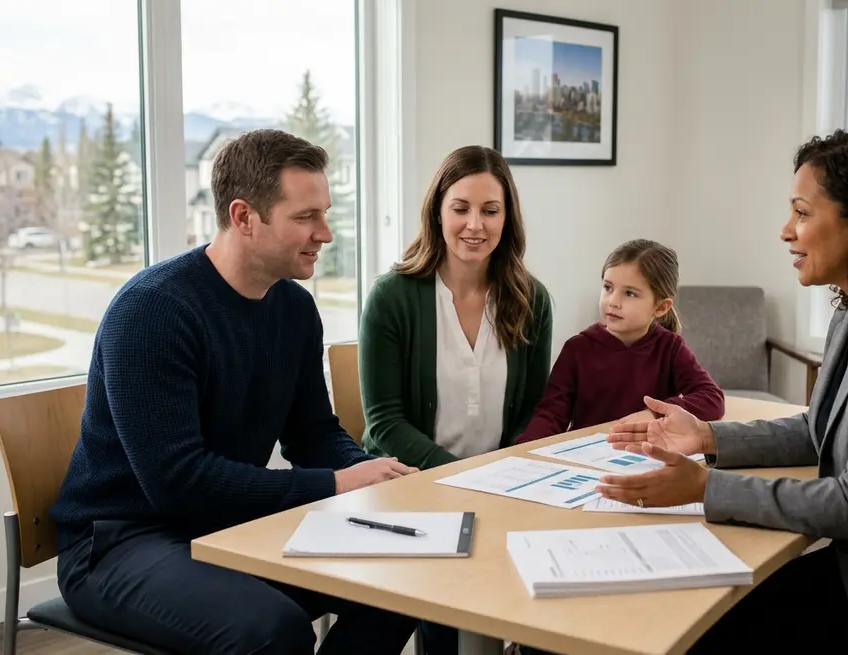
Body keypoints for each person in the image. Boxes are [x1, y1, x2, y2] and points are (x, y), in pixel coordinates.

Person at [598, 129, 848, 654]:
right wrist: (706, 437)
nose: (786, 231)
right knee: (689, 616)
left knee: (701, 634)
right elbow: (819, 429)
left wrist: (704, 488)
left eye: (802, 213)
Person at [49, 129, 420, 655]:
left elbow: (313, 433)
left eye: (325, 212)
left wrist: (376, 480)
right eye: (305, 217)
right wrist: (337, 484)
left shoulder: (293, 308)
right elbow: (177, 483)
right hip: (119, 541)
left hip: (225, 523)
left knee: (402, 582)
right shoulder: (153, 311)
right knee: (271, 630)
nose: (326, 233)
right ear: (245, 217)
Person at [357, 144, 553, 653]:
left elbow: (535, 412)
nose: (475, 224)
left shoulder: (531, 299)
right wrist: (461, 479)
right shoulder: (393, 297)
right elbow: (384, 422)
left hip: (499, 489)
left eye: (490, 210)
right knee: (430, 612)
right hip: (409, 487)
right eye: (460, 207)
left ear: (507, 218)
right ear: (437, 211)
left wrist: (503, 482)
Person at [515, 238, 724, 444]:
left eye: (630, 293)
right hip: (586, 457)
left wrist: (655, 414)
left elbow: (712, 397)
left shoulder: (670, 348)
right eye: (608, 288)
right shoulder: (577, 348)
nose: (613, 302)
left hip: (647, 456)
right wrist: (521, 451)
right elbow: (551, 414)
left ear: (660, 307)